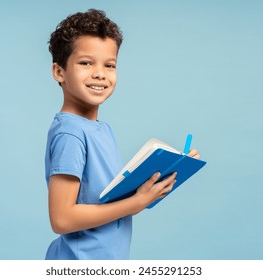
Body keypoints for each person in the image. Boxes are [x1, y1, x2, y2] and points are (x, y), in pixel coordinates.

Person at [44, 9, 200, 260]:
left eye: (109, 65)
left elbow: (107, 200)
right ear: (59, 72)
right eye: (86, 63)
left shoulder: (102, 129)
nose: (99, 73)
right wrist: (135, 204)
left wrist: (162, 178)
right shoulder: (70, 133)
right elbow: (62, 219)